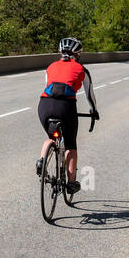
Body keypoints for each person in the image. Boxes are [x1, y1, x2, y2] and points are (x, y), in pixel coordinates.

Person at [36, 37, 99, 193]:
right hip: (65, 106)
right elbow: (89, 95)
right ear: (78, 54)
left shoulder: (50, 67)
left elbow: (48, 85)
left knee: (51, 138)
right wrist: (94, 111)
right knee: (70, 145)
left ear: (60, 52)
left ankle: (42, 161)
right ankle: (71, 183)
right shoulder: (82, 69)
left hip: (44, 105)